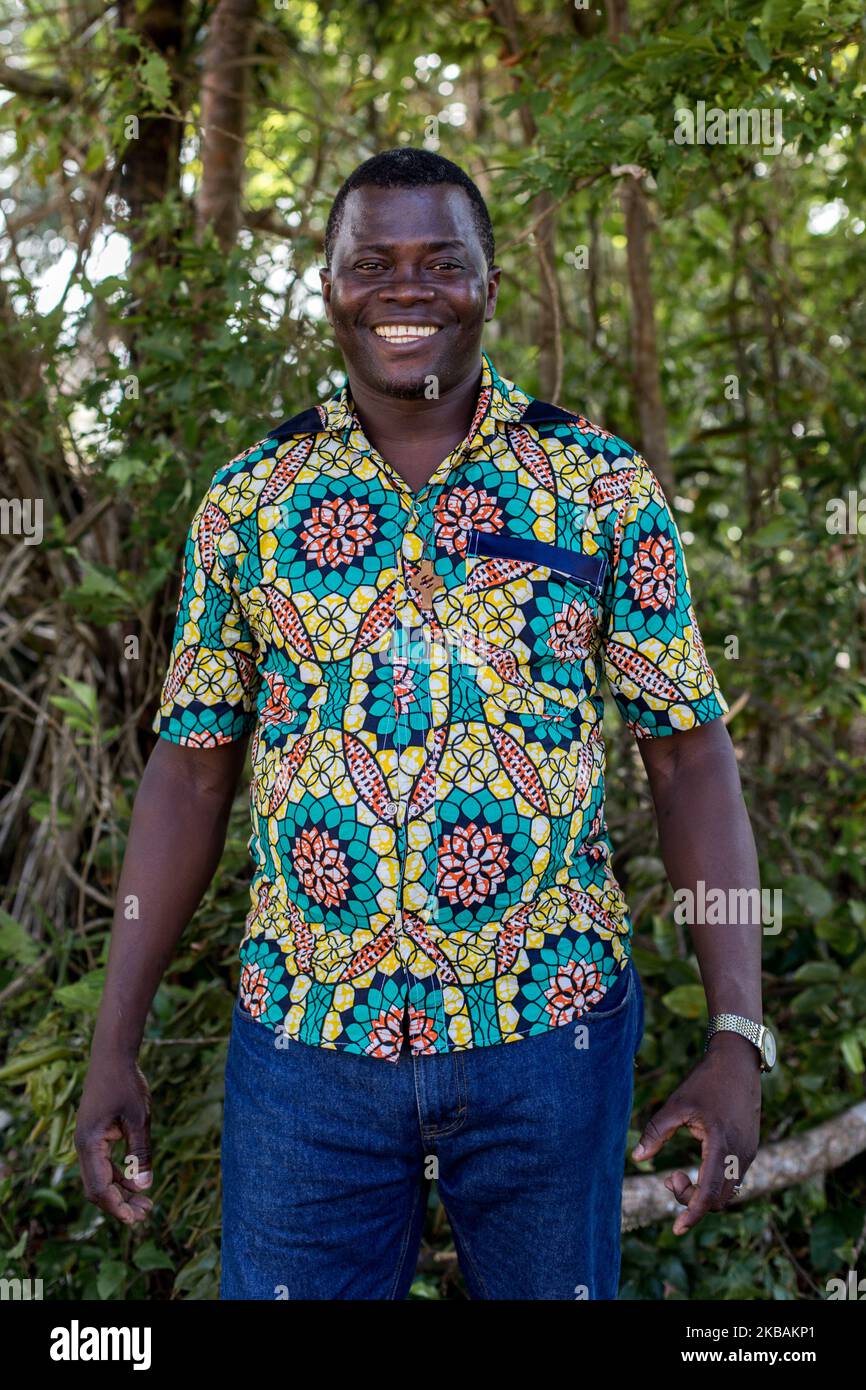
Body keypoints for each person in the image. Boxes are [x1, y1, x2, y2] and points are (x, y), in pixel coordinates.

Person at [75, 147, 770, 1301]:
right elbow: (191, 774)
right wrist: (114, 1041)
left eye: (441, 262)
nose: (407, 290)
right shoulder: (250, 506)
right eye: (372, 263)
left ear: (489, 282)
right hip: (306, 1049)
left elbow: (687, 756)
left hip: (547, 1037)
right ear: (329, 285)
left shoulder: (597, 486)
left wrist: (736, 1035)